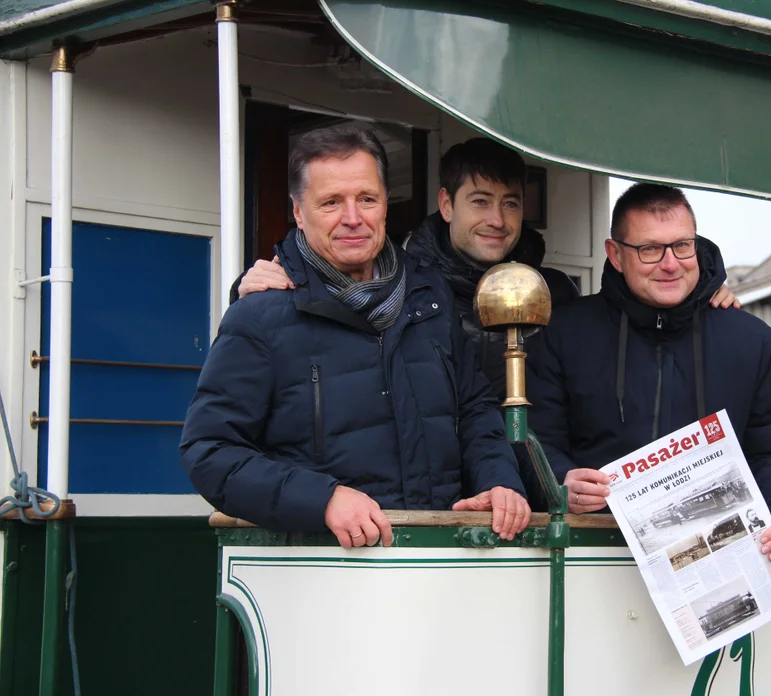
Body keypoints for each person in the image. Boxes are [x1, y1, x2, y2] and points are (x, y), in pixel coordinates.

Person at [234, 137, 740, 508]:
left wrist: (700, 293)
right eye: (480, 201)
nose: (497, 219)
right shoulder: (408, 293)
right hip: (430, 507)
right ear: (446, 204)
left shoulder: (558, 294)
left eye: (511, 203)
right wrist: (250, 285)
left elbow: (639, 297)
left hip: (530, 503)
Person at [180, 126, 531, 548]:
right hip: (326, 574)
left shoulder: (429, 297)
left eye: (367, 199)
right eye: (331, 202)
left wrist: (498, 481)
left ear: (385, 203)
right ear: (297, 211)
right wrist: (322, 499)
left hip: (441, 561)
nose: (353, 217)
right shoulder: (260, 314)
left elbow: (475, 410)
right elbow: (210, 452)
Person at [527, 183, 771, 568]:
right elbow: (534, 438)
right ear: (615, 255)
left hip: (720, 563)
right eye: (649, 249)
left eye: (682, 246)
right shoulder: (564, 333)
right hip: (590, 558)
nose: (670, 263)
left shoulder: (751, 340)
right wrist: (560, 482)